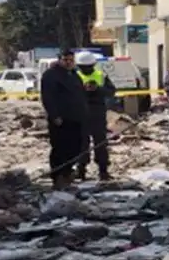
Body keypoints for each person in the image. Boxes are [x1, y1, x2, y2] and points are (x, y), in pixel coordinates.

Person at [38, 51, 88, 188]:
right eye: (66, 60)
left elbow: (79, 95)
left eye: (71, 60)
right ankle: (58, 176)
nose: (69, 62)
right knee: (60, 148)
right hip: (61, 120)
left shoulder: (74, 75)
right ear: (60, 60)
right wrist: (54, 116)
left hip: (76, 118)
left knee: (76, 147)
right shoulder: (51, 76)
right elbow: (48, 97)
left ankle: (67, 172)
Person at [73, 50, 116, 181]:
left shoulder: (101, 75)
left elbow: (111, 91)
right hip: (80, 113)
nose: (86, 69)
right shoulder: (74, 76)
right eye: (83, 67)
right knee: (82, 143)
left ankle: (103, 171)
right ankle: (81, 170)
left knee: (100, 143)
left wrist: (97, 89)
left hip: (97, 112)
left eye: (88, 67)